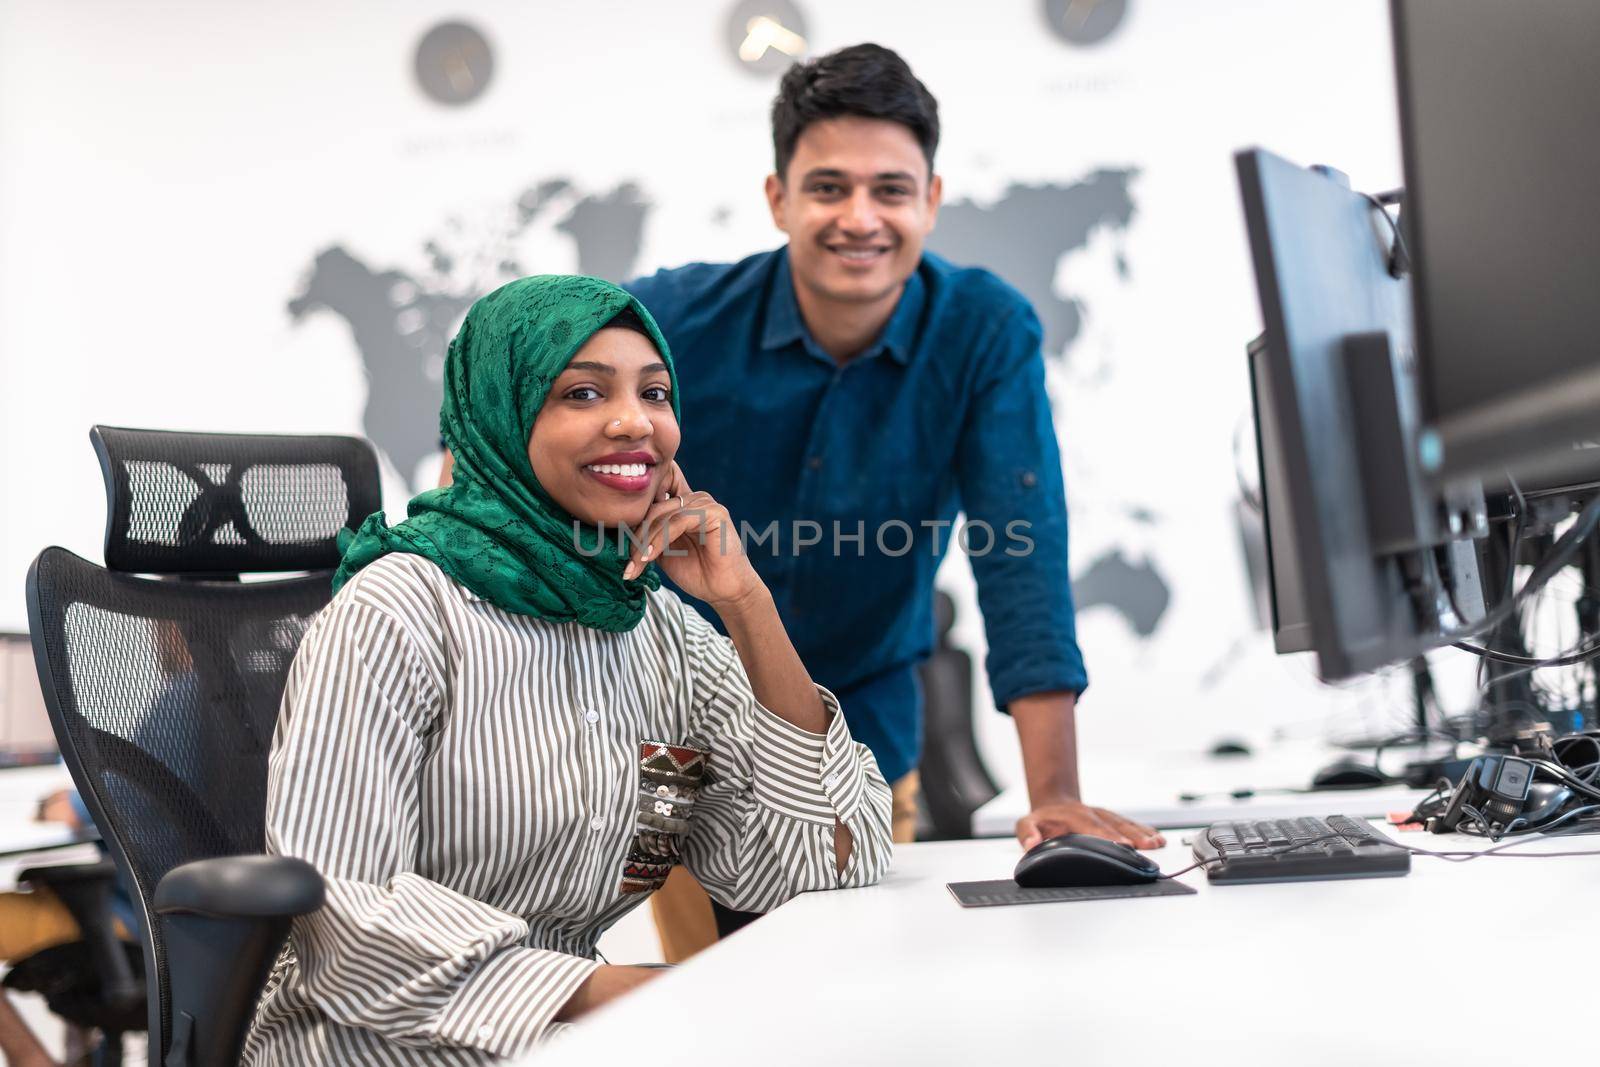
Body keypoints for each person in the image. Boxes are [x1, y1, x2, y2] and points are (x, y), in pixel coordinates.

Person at [243, 275, 893, 1064]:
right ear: (503, 417)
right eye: (582, 393)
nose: (634, 422)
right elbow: (341, 908)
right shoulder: (399, 608)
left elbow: (817, 867)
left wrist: (747, 605)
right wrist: (617, 991)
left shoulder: (658, 628)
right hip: (371, 1041)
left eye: (656, 394)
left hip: (578, 1036)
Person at [607, 43, 1164, 961]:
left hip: (862, 739)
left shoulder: (984, 329)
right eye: (827, 187)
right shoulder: (668, 322)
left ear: (931, 201)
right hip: (680, 741)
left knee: (865, 990)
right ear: (778, 198)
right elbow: (513, 417)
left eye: (891, 190)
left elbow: (1017, 551)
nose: (859, 218)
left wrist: (1053, 799)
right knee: (717, 997)